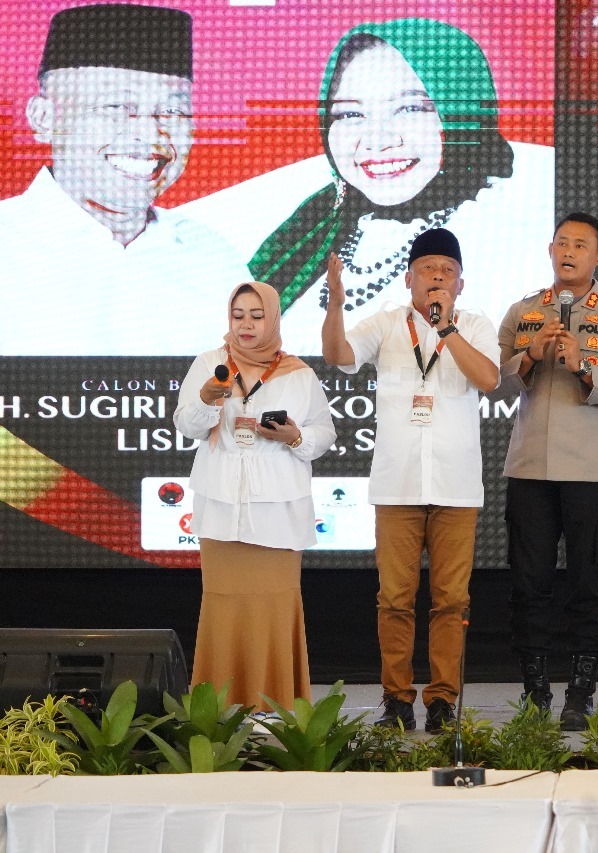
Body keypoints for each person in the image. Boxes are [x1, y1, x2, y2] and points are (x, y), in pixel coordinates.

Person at [251, 18, 530, 347]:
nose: (377, 140)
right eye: (349, 114)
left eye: (409, 108)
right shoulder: (315, 226)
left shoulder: (506, 237)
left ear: (463, 114)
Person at [321, 228, 499, 733]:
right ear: (408, 279)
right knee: (395, 599)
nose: (437, 277)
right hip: (397, 485)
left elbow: (488, 379)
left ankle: (442, 700)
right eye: (427, 269)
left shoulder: (475, 325)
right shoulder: (385, 324)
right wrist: (335, 303)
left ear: (460, 284)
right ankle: (396, 699)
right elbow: (338, 355)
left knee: (452, 601)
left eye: (447, 271)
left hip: (455, 487)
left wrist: (447, 331)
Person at [0, 3, 248, 356]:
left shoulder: (212, 257)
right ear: (43, 119)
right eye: (116, 108)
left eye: (173, 111)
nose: (150, 135)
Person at [497, 212, 598, 731]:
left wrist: (584, 367)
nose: (568, 251)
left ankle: (580, 693)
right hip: (530, 469)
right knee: (529, 585)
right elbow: (490, 381)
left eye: (580, 245)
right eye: (561, 242)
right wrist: (529, 356)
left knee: (588, 583)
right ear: (550, 249)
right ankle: (535, 692)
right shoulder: (523, 311)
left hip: (590, 472)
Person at [174, 282, 336, 710]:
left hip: (278, 512)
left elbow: (324, 433)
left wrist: (294, 436)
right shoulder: (210, 364)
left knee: (274, 610)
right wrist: (207, 400)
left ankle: (273, 708)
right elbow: (187, 425)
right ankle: (219, 710)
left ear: (273, 319)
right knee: (223, 610)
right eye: (238, 315)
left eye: (257, 315)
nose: (246, 324)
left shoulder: (298, 373)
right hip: (221, 508)